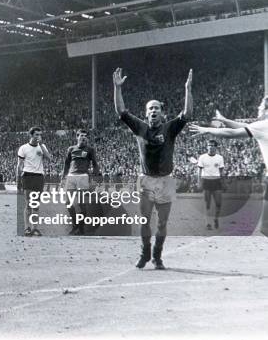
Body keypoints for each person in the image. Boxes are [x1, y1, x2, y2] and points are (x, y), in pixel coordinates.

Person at [114, 67, 192, 269]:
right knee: (144, 221)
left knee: (162, 223)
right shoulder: (140, 127)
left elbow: (187, 114)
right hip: (146, 180)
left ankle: (157, 256)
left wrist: (188, 89)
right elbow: (121, 112)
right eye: (151, 108)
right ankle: (144, 253)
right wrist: (117, 88)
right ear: (146, 113)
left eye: (157, 107)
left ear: (162, 112)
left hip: (166, 180)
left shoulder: (170, 128)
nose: (154, 110)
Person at [190, 97, 268, 236]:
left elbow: (231, 134)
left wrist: (207, 130)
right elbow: (244, 128)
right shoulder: (262, 126)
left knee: (266, 228)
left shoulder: (264, 125)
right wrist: (225, 120)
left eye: (261, 106)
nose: (258, 109)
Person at [61, 129, 100, 235]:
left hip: (83, 177)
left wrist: (95, 180)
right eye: (81, 135)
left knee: (82, 204)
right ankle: (75, 226)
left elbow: (95, 164)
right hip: (71, 176)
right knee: (68, 203)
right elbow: (66, 164)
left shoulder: (90, 149)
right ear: (77, 137)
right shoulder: (71, 149)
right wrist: (63, 178)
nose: (83, 137)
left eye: (85, 136)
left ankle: (81, 229)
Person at [17, 126, 52, 237]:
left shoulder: (42, 147)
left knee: (36, 204)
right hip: (27, 175)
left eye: (40, 134)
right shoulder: (23, 148)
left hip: (39, 177)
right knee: (28, 204)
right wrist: (18, 179)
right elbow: (19, 165)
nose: (38, 137)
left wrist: (41, 145)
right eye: (36, 134)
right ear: (31, 135)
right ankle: (27, 228)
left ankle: (35, 229)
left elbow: (49, 158)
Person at [197, 139, 225, 230]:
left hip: (217, 181)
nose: (210, 147)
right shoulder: (202, 157)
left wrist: (223, 182)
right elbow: (199, 171)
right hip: (206, 181)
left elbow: (221, 171)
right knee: (207, 204)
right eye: (209, 145)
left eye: (212, 145)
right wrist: (199, 182)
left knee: (218, 203)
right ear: (207, 146)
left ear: (215, 147)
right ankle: (208, 223)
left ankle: (216, 219)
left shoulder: (220, 158)